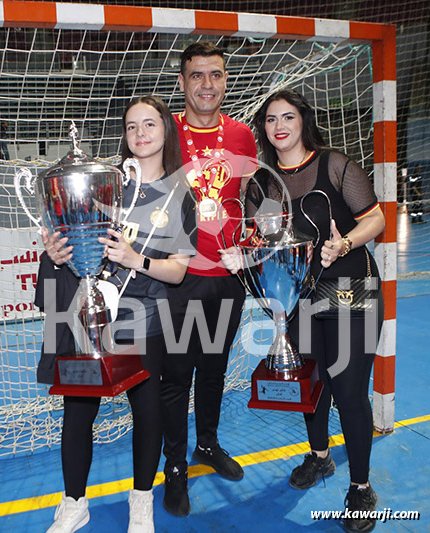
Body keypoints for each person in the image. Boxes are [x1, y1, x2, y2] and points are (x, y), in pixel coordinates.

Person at [220, 89, 385, 533]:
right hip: (301, 296)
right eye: (271, 118)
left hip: (351, 289)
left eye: (288, 116)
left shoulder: (335, 164)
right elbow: (262, 244)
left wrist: (346, 241)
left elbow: (376, 219)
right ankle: (320, 458)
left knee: (349, 391)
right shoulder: (261, 184)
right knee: (311, 383)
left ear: (302, 121)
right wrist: (243, 257)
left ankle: (361, 486)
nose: (279, 125)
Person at [35, 95, 197, 533]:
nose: (140, 134)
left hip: (145, 316)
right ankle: (74, 503)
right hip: (90, 315)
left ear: (166, 130)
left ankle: (141, 499)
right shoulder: (103, 181)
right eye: (131, 127)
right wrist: (54, 254)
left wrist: (134, 259)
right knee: (78, 408)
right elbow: (71, 247)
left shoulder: (181, 195)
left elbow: (179, 272)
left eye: (149, 125)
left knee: (146, 409)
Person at [160, 41, 257, 517]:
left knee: (214, 368)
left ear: (224, 80)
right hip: (178, 277)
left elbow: (250, 201)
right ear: (181, 82)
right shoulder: (163, 131)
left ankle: (207, 444)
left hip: (226, 277)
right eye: (196, 75)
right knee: (176, 376)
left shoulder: (242, 136)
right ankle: (174, 469)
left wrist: (254, 241)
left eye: (215, 75)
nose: (206, 84)